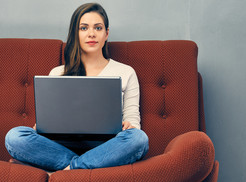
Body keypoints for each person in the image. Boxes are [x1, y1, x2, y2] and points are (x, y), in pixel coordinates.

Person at [4, 3, 149, 172]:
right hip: (60, 145)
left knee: (139, 139)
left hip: (107, 146)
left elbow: (134, 124)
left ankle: (67, 169)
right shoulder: (58, 73)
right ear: (76, 33)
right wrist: (41, 127)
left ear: (106, 34)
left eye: (98, 28)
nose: (91, 34)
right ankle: (81, 167)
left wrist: (129, 125)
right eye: (84, 28)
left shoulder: (126, 72)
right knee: (15, 136)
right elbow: (46, 124)